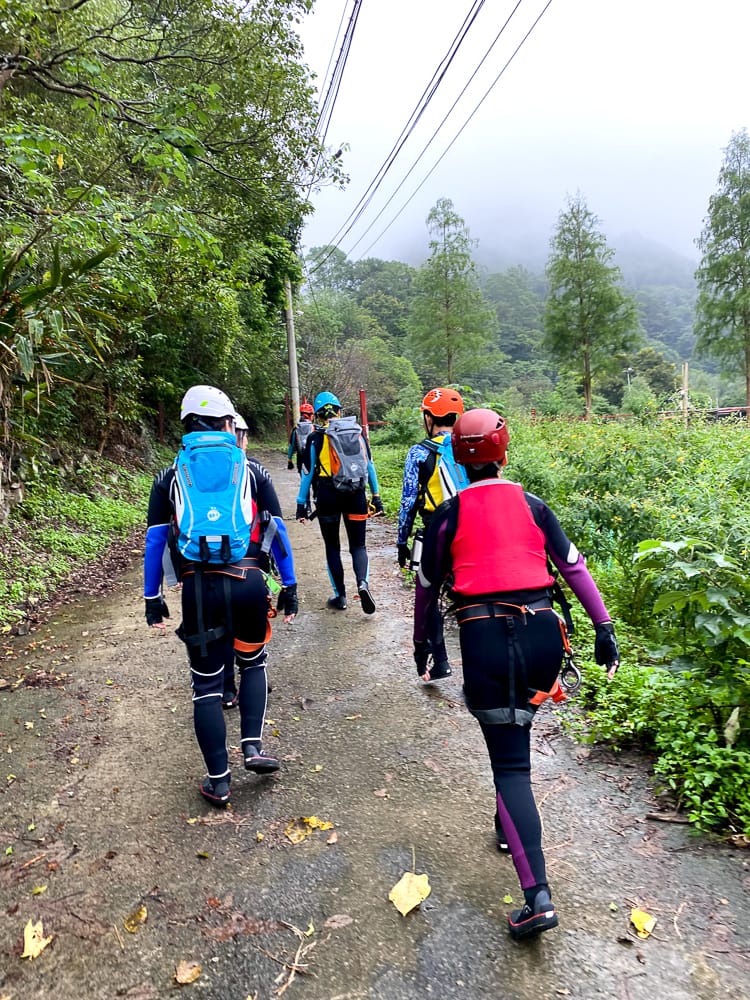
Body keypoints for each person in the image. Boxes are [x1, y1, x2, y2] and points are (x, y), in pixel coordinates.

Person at [413, 408, 619, 940]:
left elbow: (427, 586)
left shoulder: (449, 514)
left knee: (509, 766)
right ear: (504, 453)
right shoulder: (533, 505)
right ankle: (508, 829)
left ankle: (538, 898)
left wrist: (423, 644)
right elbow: (572, 565)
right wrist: (603, 626)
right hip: (542, 633)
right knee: (515, 739)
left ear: (458, 458)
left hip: (484, 636)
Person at [144, 385, 299, 808]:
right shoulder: (252, 470)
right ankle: (253, 747)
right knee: (253, 662)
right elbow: (277, 530)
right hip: (249, 582)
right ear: (228, 424)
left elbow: (156, 540)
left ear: (186, 425)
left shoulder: (169, 476)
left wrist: (152, 597)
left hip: (199, 589)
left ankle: (219, 781)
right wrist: (289, 585)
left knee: (207, 686)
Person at [397, 387, 467, 681]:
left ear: (429, 417)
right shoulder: (468, 445)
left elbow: (408, 502)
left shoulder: (419, 452)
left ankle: (440, 661)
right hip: (471, 529)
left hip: (436, 533)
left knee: (429, 592)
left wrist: (402, 541)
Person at [295, 390, 383, 614]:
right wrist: (376, 496)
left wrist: (301, 504)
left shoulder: (316, 437)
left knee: (333, 547)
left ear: (317, 415)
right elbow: (369, 466)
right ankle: (362, 584)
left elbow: (307, 473)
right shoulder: (357, 433)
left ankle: (341, 597)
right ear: (339, 411)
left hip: (328, 495)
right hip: (356, 493)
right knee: (358, 546)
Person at [287, 401, 315, 474]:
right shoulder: (314, 428)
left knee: (303, 478)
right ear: (311, 415)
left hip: (300, 460)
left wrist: (289, 460)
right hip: (312, 460)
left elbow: (292, 446)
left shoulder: (296, 429)